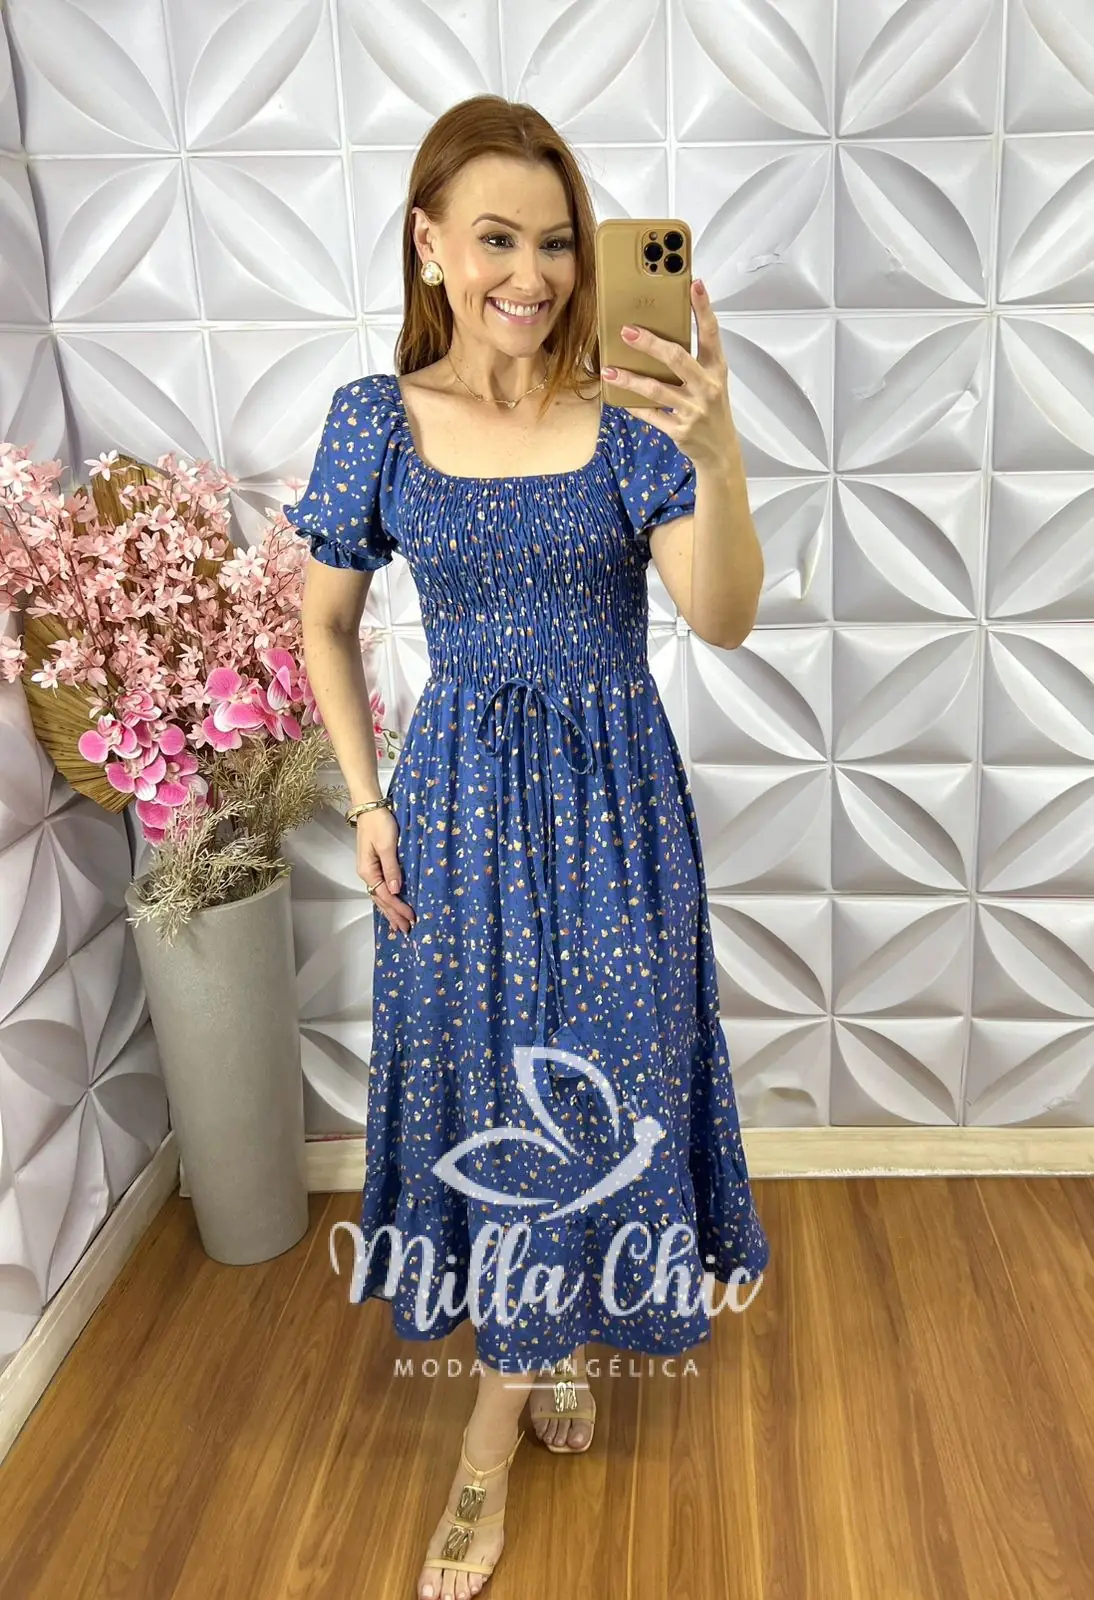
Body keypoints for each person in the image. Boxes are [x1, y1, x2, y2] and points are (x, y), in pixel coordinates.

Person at [285, 93, 769, 1600]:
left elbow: (722, 617)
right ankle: (524, 1376)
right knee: (490, 1101)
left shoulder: (628, 416)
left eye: (559, 243)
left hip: (618, 815)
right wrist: (366, 801)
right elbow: (322, 620)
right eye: (496, 238)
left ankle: (486, 1444)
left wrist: (719, 442)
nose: (535, 274)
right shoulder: (374, 418)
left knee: (605, 1090)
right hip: (455, 817)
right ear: (429, 243)